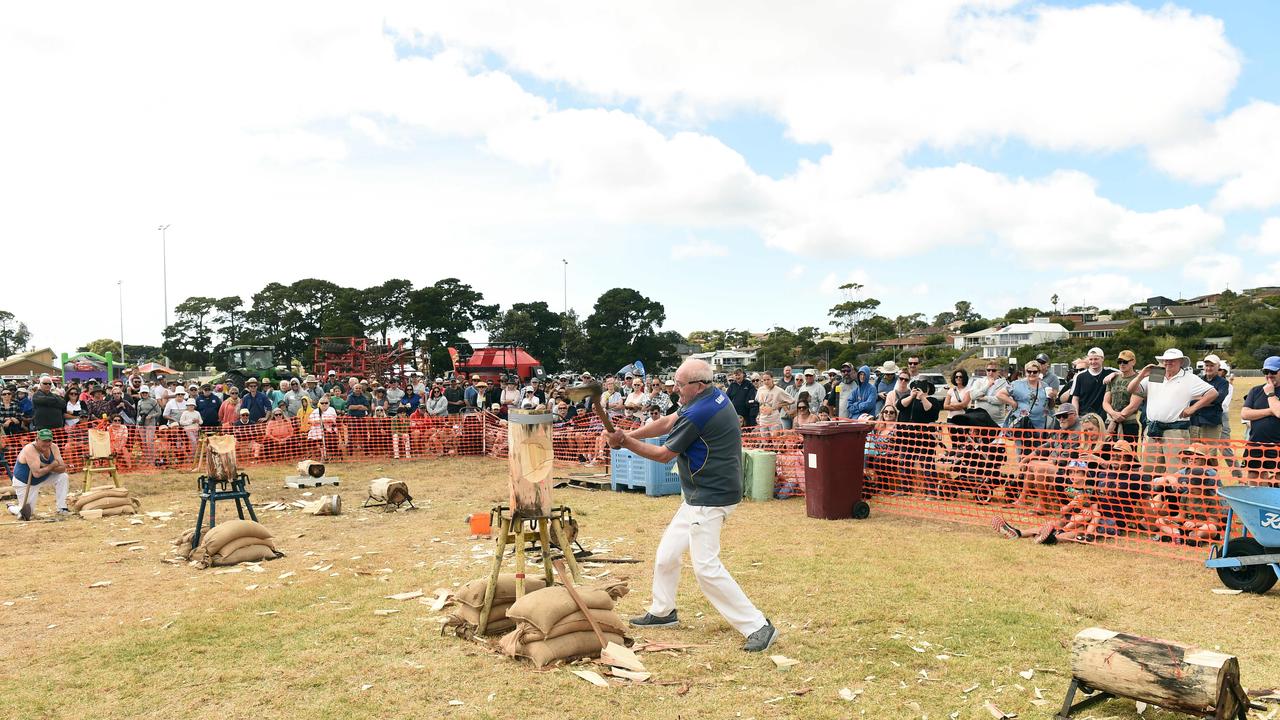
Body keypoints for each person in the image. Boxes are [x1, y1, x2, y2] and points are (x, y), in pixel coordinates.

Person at [607, 358, 776, 653]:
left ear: (698, 385)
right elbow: (668, 421)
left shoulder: (701, 410)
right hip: (700, 495)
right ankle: (663, 612)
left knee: (706, 569)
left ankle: (758, 625)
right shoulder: (709, 396)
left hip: (711, 498)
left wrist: (624, 441)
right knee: (667, 555)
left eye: (680, 385)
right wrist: (629, 435)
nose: (675, 390)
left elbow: (663, 454)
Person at [1127, 349, 1218, 475]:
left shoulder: (1189, 378)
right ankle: (1152, 494)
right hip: (1153, 429)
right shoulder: (1157, 374)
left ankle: (1173, 495)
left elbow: (1212, 393)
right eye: (1166, 360)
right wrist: (1142, 374)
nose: (1168, 363)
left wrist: (1193, 408)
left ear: (1180, 362)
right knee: (1149, 469)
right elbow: (1131, 389)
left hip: (1176, 430)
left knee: (1175, 470)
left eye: (1172, 360)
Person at [6, 429, 70, 519]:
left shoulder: (53, 447)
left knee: (63, 477)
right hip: (25, 482)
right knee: (26, 513)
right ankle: (12, 507)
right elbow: (37, 473)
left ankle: (62, 507)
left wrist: (45, 466)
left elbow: (62, 469)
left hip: (44, 477)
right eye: (44, 441)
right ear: (37, 439)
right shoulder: (30, 449)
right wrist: (53, 465)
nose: (46, 443)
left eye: (49, 441)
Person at [1240, 356, 1280, 481]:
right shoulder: (1256, 390)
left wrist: (1271, 393)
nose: (1269, 375)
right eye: (1265, 372)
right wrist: (1269, 411)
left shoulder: (1269, 391)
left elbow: (1278, 412)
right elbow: (1245, 414)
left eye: (1273, 372)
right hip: (1255, 443)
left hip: (1278, 445)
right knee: (1254, 478)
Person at [1190, 354, 1230, 446]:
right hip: (1195, 422)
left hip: (1211, 423)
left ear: (1218, 367)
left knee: (1209, 454)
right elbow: (1190, 398)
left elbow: (1218, 399)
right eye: (1207, 365)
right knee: (1193, 452)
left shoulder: (1223, 383)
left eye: (1212, 366)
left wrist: (1198, 400)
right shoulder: (1198, 380)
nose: (1208, 368)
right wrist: (1207, 399)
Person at [1102, 350, 1142, 442]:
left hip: (1129, 422)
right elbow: (1105, 402)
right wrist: (1113, 414)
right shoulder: (1113, 378)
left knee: (1128, 453)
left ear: (1133, 362)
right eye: (1119, 362)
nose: (1122, 364)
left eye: (1125, 361)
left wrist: (1115, 421)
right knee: (1108, 452)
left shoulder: (1138, 379)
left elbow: (1133, 406)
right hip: (1110, 419)